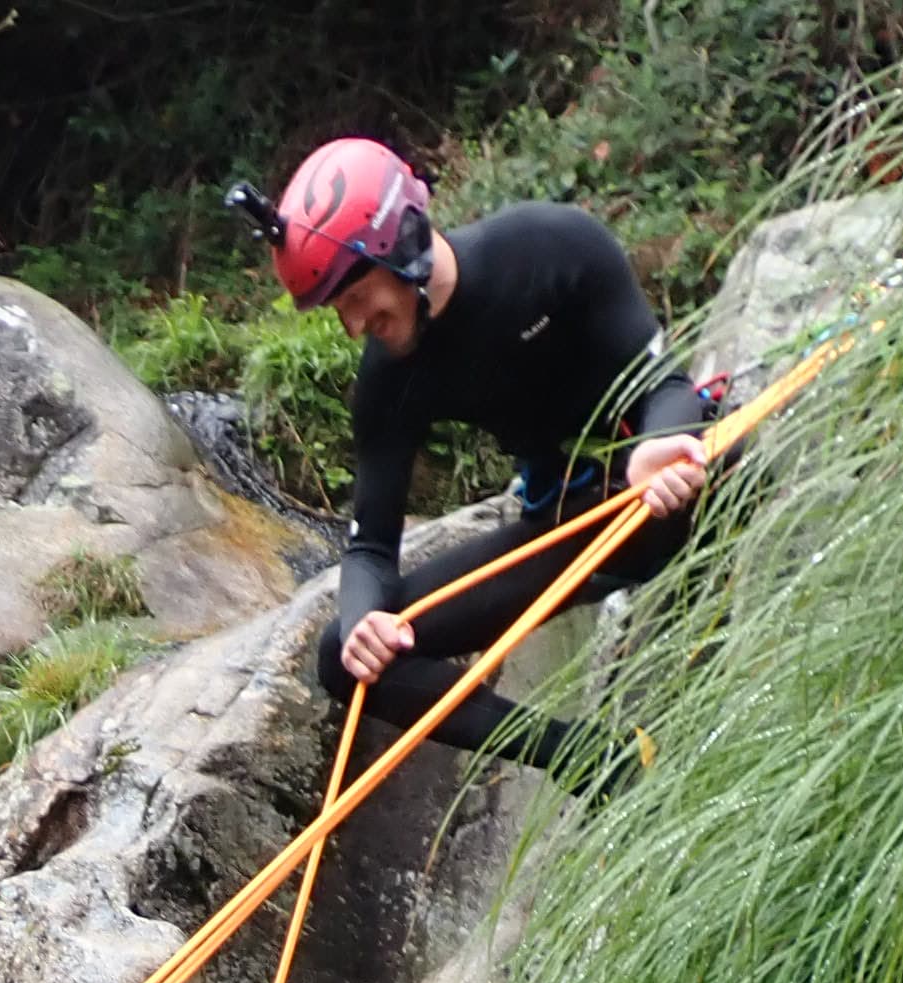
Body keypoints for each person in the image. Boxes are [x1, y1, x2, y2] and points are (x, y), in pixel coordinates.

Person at [234, 136, 717, 784]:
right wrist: (362, 619)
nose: (352, 326)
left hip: (655, 493)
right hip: (568, 530)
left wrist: (661, 448)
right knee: (344, 661)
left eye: (354, 298)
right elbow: (370, 548)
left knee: (730, 450)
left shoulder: (550, 248)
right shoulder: (389, 379)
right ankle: (591, 759)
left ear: (399, 247)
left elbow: (668, 386)